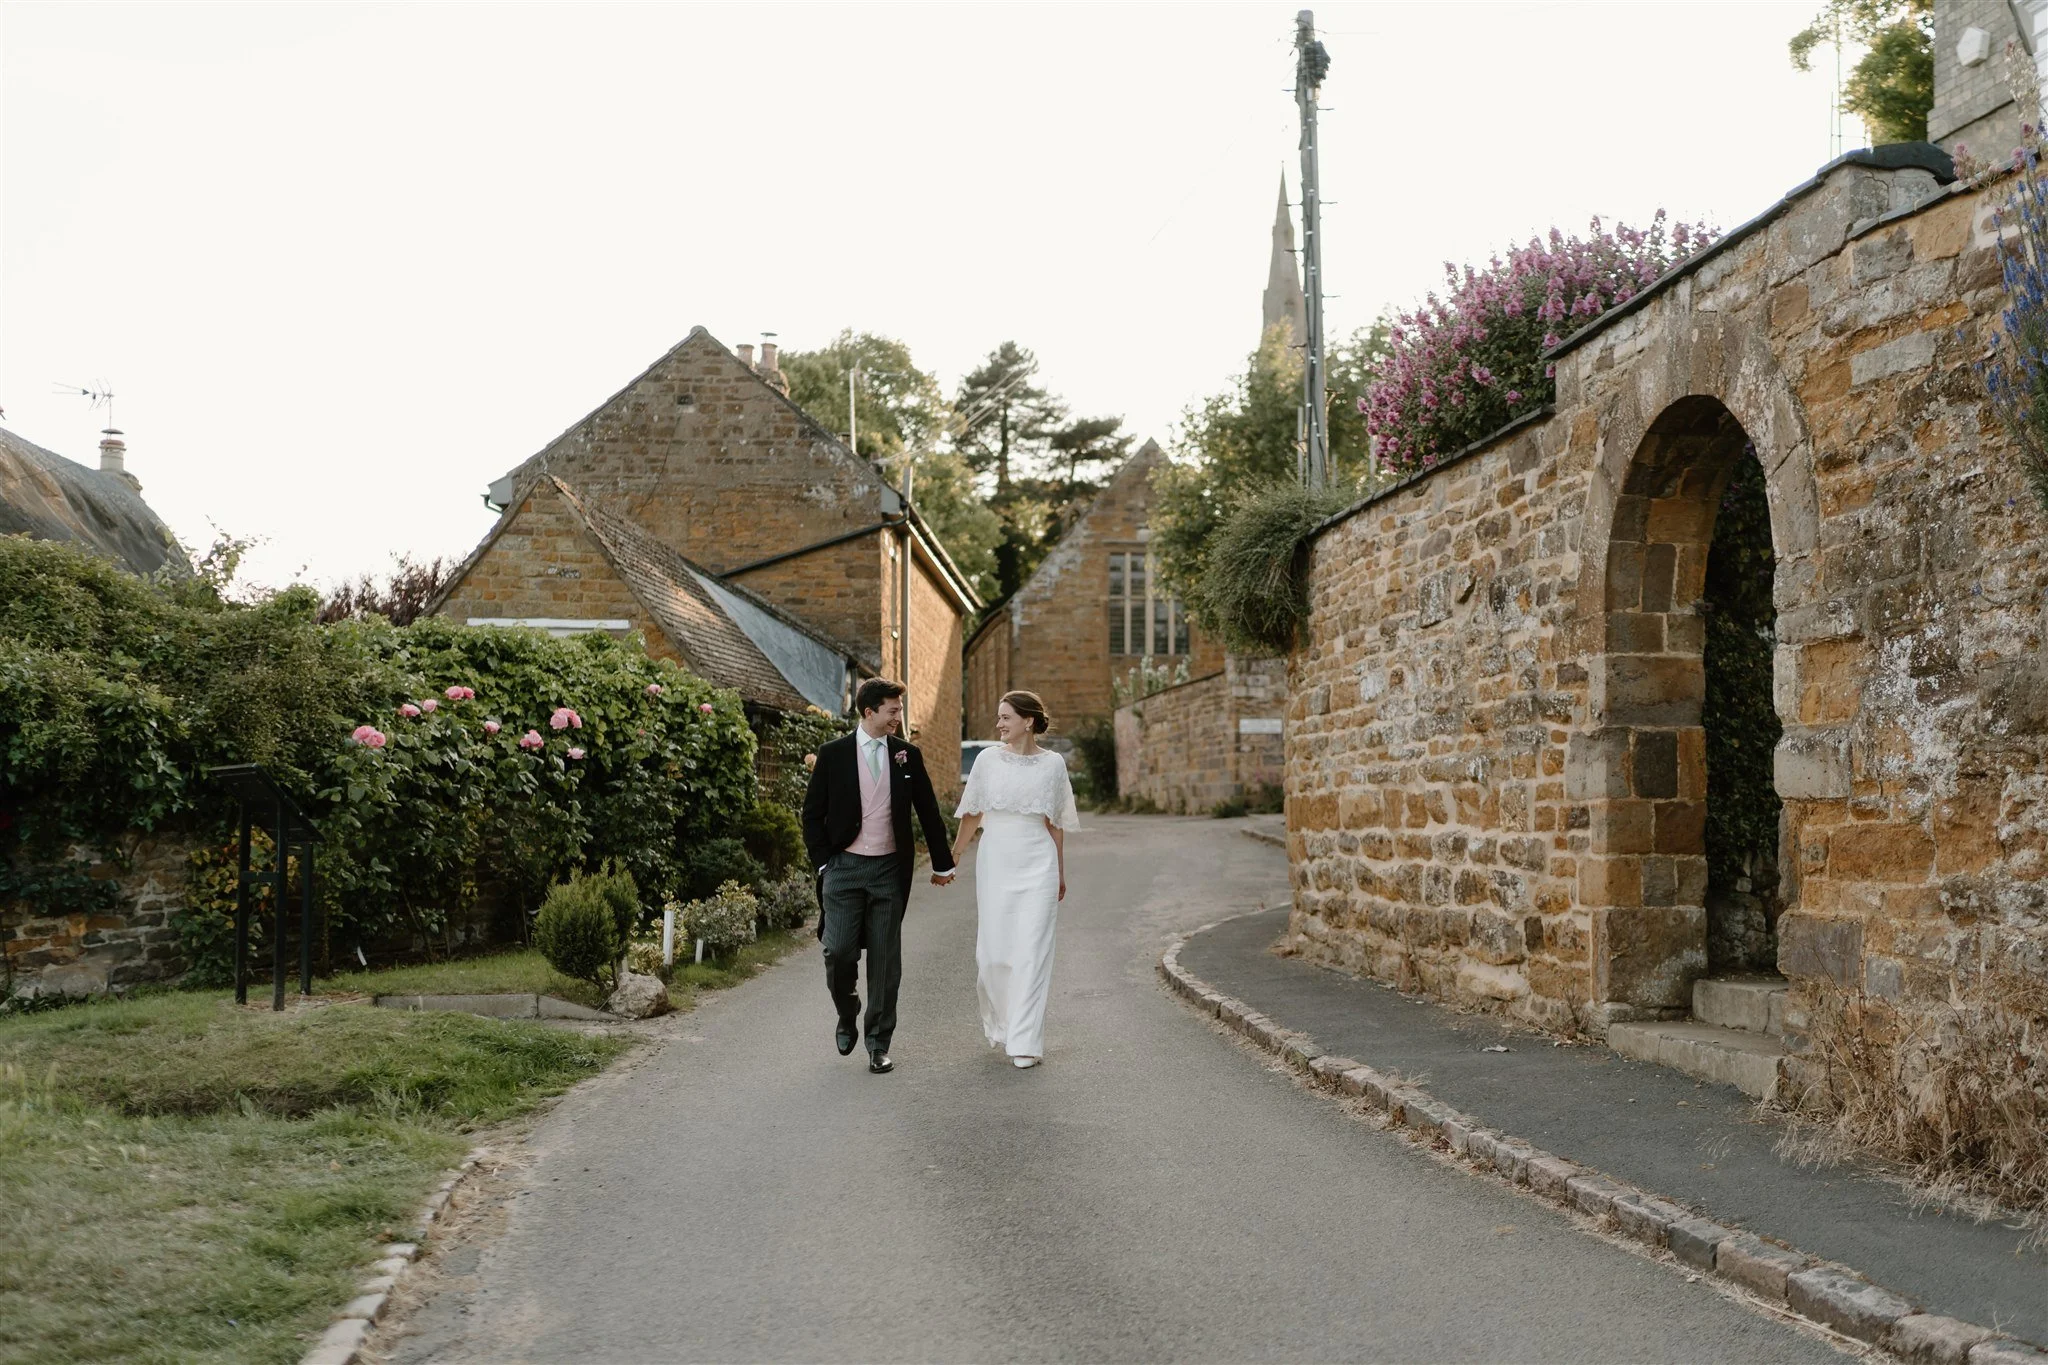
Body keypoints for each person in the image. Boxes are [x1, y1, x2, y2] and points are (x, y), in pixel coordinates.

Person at [801, 678, 956, 1075]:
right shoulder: (833, 754)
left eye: (899, 710)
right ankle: (847, 1007)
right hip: (844, 869)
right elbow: (812, 816)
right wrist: (824, 864)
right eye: (892, 710)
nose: (898, 717)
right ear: (869, 712)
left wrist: (942, 863)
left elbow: (927, 810)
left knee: (886, 961)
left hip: (889, 869)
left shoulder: (907, 755)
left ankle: (878, 1043)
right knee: (837, 952)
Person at [952, 690, 1079, 1070]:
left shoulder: (1054, 764)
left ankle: (1026, 1041)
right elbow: (972, 813)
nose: (999, 724)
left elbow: (1055, 823)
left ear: (1028, 721)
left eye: (1006, 717)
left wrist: (1059, 870)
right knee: (992, 955)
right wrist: (952, 857)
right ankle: (1006, 1024)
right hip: (997, 862)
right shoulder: (987, 761)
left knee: (1033, 951)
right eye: (998, 717)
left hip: (1038, 863)